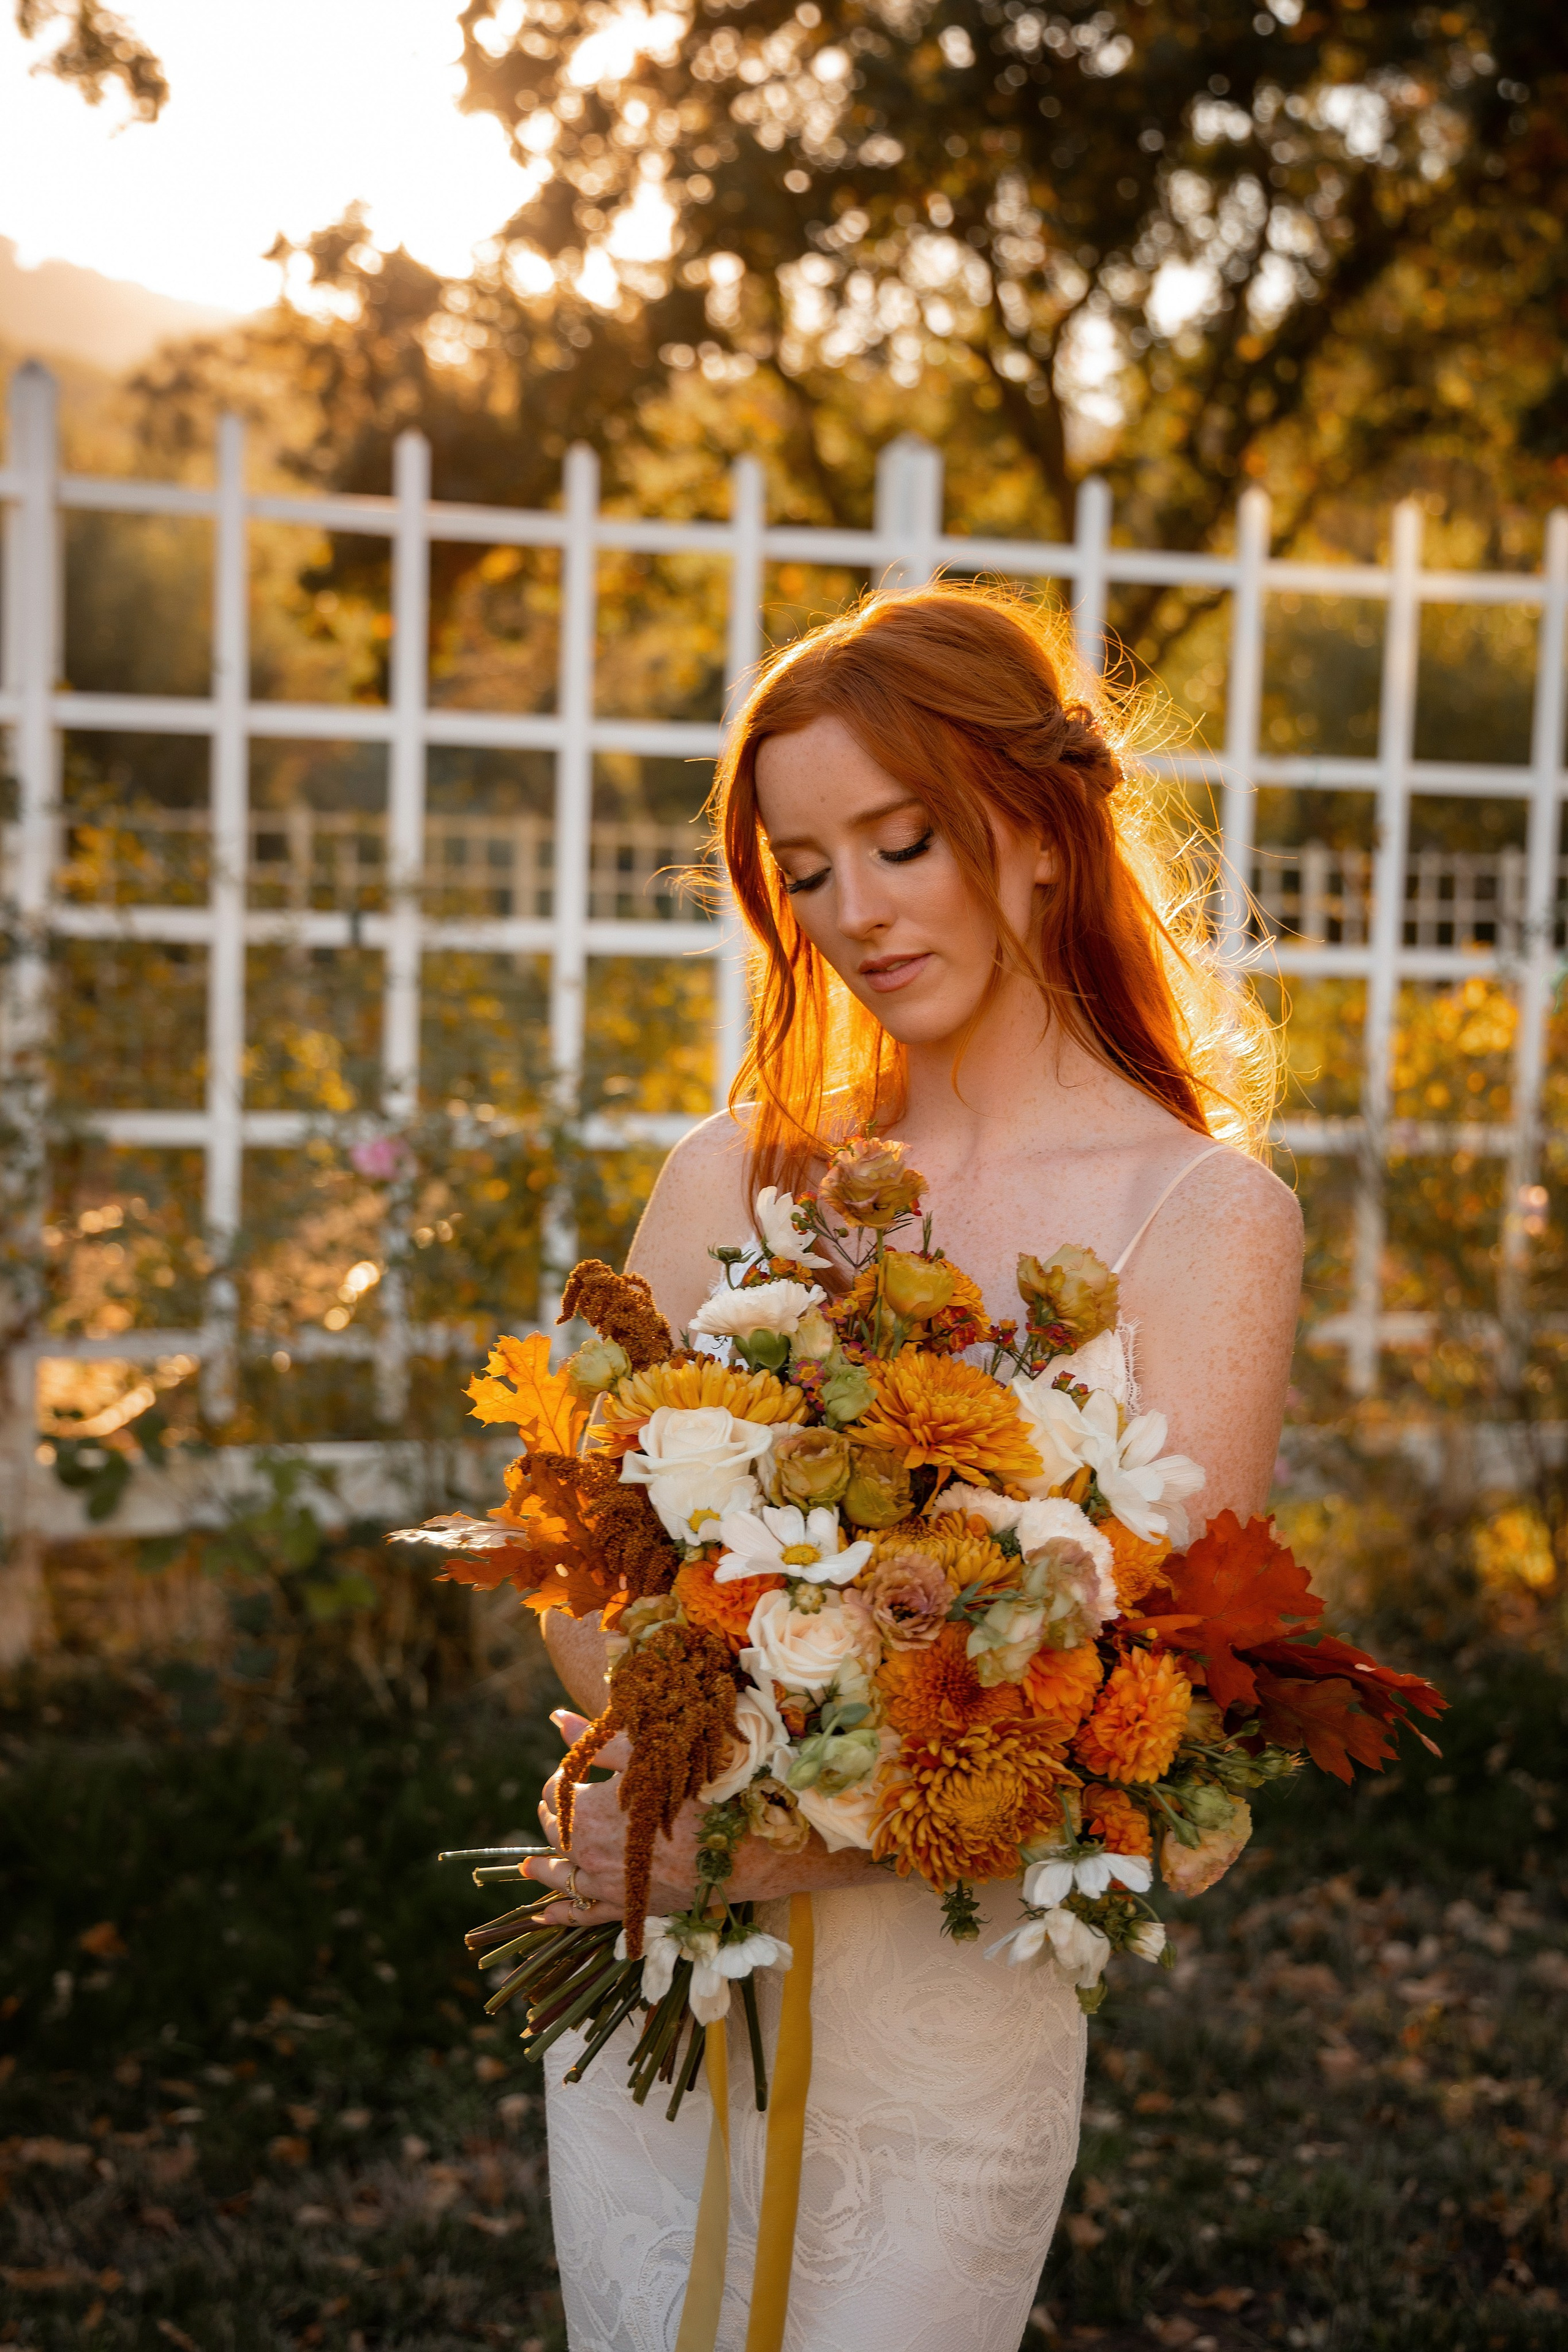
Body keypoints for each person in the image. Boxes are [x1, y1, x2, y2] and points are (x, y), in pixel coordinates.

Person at [521, 584, 1303, 2351]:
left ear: (1031, 833)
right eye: (805, 868)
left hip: (952, 2000)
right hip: (669, 1977)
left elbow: (1174, 1694)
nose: (854, 911)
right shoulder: (737, 1172)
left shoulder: (1204, 1219)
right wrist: (663, 1759)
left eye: (900, 840)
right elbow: (579, 1540)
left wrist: (806, 1847)